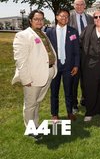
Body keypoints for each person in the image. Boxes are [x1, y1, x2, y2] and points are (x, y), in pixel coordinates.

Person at [12, 9, 57, 141]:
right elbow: (21, 60)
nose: (39, 21)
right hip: (33, 77)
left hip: (46, 73)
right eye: (36, 19)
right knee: (30, 104)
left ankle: (35, 125)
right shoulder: (23, 35)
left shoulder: (42, 33)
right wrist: (26, 79)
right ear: (30, 21)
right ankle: (30, 130)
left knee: (37, 102)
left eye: (41, 19)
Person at [46, 8, 80, 121]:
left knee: (68, 91)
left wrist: (76, 65)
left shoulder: (73, 31)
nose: (64, 18)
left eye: (66, 16)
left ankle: (70, 112)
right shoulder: (50, 32)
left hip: (68, 66)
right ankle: (54, 114)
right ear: (57, 17)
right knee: (54, 91)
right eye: (62, 16)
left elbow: (76, 51)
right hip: (55, 66)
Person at [69, 0, 93, 112]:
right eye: (77, 4)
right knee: (74, 80)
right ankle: (74, 104)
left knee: (87, 79)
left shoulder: (90, 18)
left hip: (88, 53)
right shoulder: (69, 17)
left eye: (81, 4)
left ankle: (85, 99)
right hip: (74, 53)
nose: (79, 6)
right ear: (74, 6)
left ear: (85, 6)